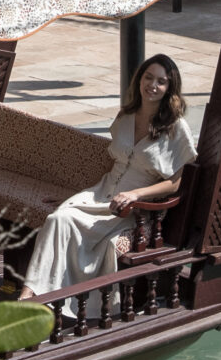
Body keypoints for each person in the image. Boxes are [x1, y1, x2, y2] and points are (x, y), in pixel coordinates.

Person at [22, 55, 197, 300]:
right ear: (139, 79)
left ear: (170, 88)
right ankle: (30, 294)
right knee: (58, 219)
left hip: (133, 208)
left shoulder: (176, 128)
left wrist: (135, 195)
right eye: (148, 78)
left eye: (161, 81)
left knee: (72, 225)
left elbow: (175, 183)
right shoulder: (126, 115)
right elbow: (113, 162)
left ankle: (43, 297)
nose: (153, 85)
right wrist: (76, 195)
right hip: (101, 192)